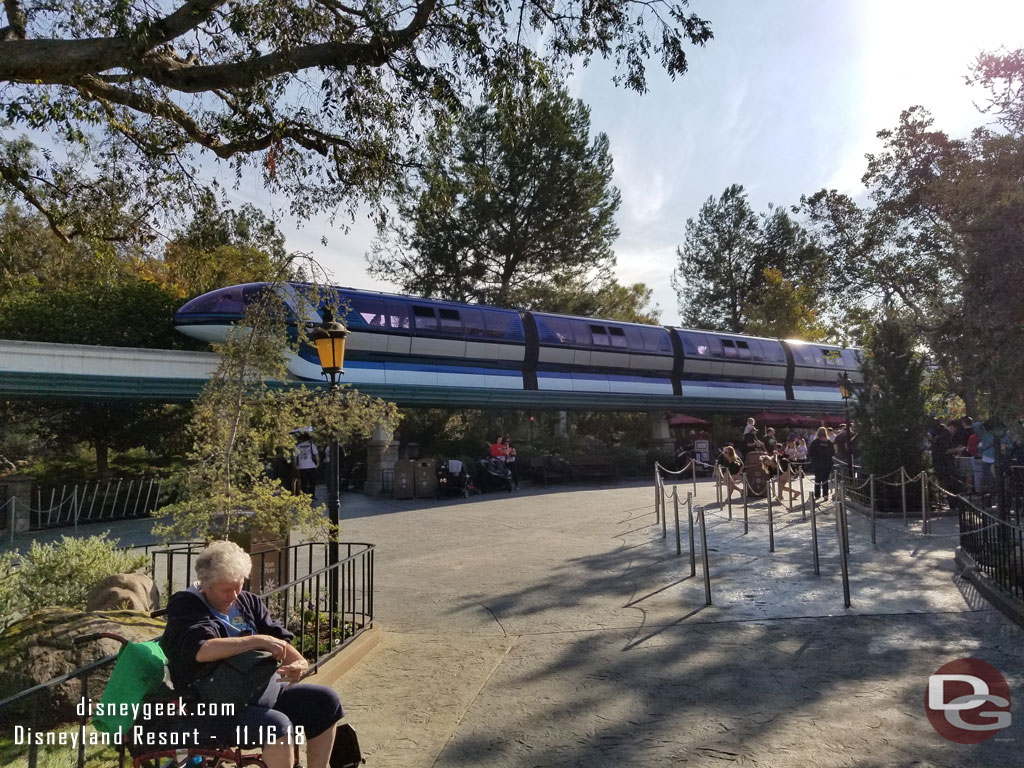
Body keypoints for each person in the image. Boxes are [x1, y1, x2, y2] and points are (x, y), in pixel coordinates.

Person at [161, 541, 343, 768]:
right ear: (205, 584)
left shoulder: (248, 601)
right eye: (226, 590)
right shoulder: (186, 605)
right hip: (212, 706)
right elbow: (201, 650)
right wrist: (256, 641)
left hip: (260, 692)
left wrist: (299, 662)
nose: (234, 595)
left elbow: (279, 641)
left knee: (326, 701)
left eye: (239, 586)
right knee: (277, 725)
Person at [808, 426, 836, 501]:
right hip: (827, 463)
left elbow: (810, 453)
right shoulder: (829, 442)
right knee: (825, 479)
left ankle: (817, 495)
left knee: (817, 479)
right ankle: (825, 495)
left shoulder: (815, 442)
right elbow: (833, 453)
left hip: (816, 463)